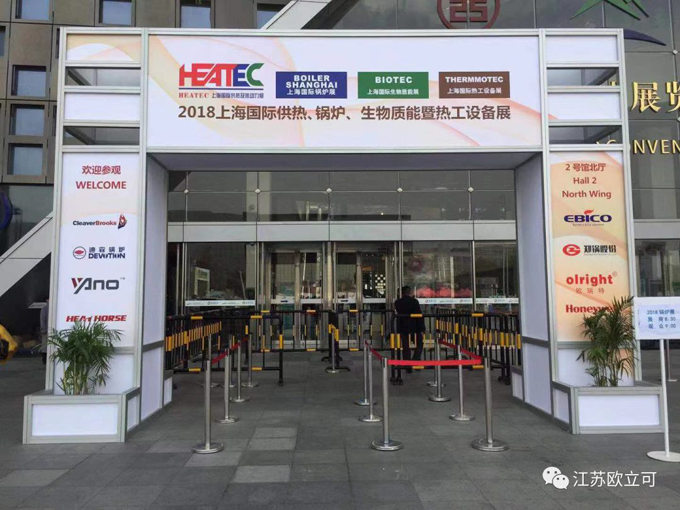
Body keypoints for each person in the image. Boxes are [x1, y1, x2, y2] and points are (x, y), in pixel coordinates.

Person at [394, 286, 425, 368]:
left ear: (402, 293)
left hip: (403, 326)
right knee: (419, 344)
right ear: (410, 292)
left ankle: (407, 364)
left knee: (405, 346)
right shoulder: (414, 301)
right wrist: (422, 327)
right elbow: (419, 314)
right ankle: (415, 360)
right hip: (414, 327)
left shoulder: (397, 302)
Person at [40, 297, 49, 364]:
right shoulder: (45, 309)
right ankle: (44, 359)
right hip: (46, 330)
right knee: (45, 346)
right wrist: (43, 329)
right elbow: (42, 320)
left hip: (48, 330)